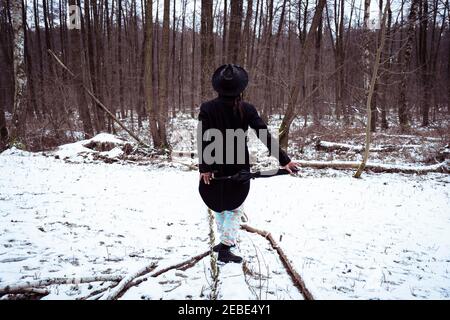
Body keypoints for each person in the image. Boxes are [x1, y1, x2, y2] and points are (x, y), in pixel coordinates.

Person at [198, 64, 298, 263]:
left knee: (219, 204)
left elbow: (203, 138)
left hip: (216, 163)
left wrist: (205, 167)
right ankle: (226, 248)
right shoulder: (247, 108)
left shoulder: (208, 108)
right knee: (233, 207)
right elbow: (264, 135)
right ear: (241, 88)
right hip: (237, 163)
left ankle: (225, 242)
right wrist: (284, 160)